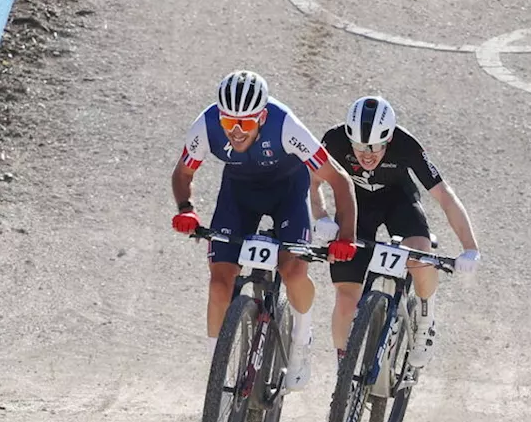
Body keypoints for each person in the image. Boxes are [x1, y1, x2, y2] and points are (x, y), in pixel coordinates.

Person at [171, 70, 359, 391]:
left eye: (246, 123)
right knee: (219, 283)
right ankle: (216, 373)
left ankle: (301, 337)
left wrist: (347, 236)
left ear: (263, 115)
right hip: (238, 195)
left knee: (293, 271)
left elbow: (339, 179)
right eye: (230, 124)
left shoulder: (285, 125)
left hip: (287, 193)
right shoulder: (205, 125)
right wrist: (186, 209)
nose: (237, 132)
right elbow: (183, 173)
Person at [309, 95, 480, 369]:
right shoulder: (334, 140)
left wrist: (470, 247)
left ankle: (425, 320)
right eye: (359, 145)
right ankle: (344, 372)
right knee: (345, 297)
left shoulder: (406, 144)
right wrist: (322, 217)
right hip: (356, 206)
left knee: (419, 256)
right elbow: (313, 182)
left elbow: (445, 196)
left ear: (388, 139)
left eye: (376, 146)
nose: (367, 153)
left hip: (399, 201)